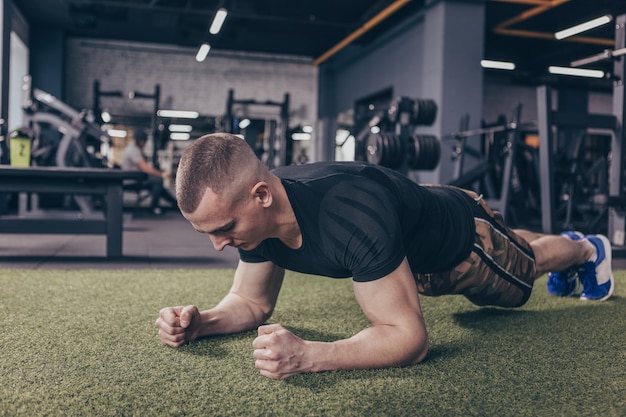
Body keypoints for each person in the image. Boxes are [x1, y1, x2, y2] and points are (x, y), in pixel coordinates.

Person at [155, 132, 615, 379]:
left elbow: (408, 339)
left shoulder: (349, 217)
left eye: (225, 229)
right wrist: (206, 322)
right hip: (408, 227)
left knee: (525, 268)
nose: (218, 245)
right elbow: (252, 303)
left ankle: (585, 248)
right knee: (514, 238)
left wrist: (310, 356)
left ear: (261, 195)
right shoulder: (259, 225)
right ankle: (532, 236)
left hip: (461, 244)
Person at [121, 128, 177, 214]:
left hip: (136, 179)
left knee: (158, 184)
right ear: (141, 141)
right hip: (131, 181)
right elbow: (144, 168)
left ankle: (176, 204)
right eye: (144, 141)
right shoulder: (133, 150)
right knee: (157, 181)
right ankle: (154, 208)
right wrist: (161, 174)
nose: (145, 144)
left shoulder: (134, 149)